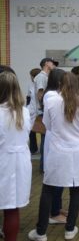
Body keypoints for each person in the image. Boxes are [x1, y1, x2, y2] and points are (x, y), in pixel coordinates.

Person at [28, 72, 79, 241]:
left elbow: (47, 125)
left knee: (48, 190)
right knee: (76, 190)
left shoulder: (51, 101)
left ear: (60, 84)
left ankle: (41, 232)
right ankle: (70, 229)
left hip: (58, 151)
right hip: (78, 151)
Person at [0, 71, 32, 241]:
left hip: (3, 161)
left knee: (9, 205)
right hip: (20, 162)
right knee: (12, 208)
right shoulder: (24, 112)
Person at [42, 69, 68, 225]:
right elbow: (48, 122)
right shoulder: (51, 96)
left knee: (60, 176)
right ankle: (54, 212)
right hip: (54, 139)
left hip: (57, 138)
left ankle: (57, 208)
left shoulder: (55, 95)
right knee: (56, 177)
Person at [34, 58, 58, 172]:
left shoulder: (46, 77)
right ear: (46, 64)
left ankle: (46, 165)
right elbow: (40, 94)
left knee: (47, 138)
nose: (53, 65)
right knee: (45, 138)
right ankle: (44, 167)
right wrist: (46, 108)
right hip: (43, 111)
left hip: (45, 111)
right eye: (52, 63)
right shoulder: (41, 77)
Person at [27, 68, 41, 154]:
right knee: (31, 130)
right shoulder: (30, 85)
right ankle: (33, 148)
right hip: (31, 110)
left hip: (40, 111)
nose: (31, 78)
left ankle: (43, 150)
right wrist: (27, 107)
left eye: (31, 76)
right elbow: (28, 97)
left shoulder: (41, 85)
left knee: (42, 130)